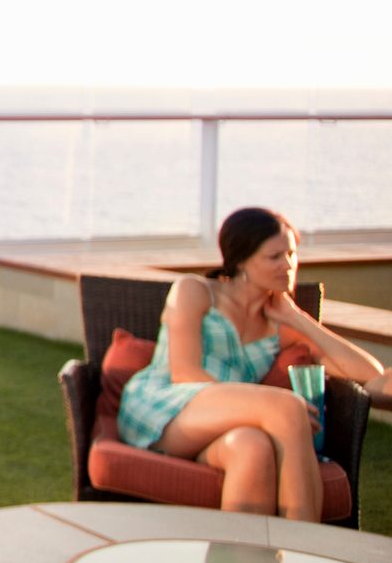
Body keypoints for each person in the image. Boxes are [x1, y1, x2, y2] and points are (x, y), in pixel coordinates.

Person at [116, 206, 389, 520]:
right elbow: (185, 373)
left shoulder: (280, 325)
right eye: (275, 257)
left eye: (292, 253)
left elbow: (369, 374)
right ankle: (309, 551)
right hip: (166, 406)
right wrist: (261, 409)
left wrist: (298, 319)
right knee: (285, 407)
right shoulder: (195, 291)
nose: (288, 265)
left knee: (252, 446)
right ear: (241, 258)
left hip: (229, 424)